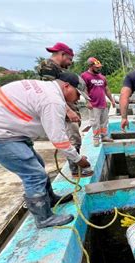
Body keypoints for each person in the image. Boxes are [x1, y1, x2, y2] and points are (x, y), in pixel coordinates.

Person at [0, 72, 92, 229]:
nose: (78, 99)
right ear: (66, 86)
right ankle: (43, 218)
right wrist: (78, 160)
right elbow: (59, 140)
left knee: (38, 164)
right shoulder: (52, 101)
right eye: (78, 94)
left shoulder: (47, 90)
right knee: (34, 174)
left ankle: (50, 199)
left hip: (4, 131)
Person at [37, 42, 93, 177]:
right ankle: (76, 168)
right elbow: (50, 94)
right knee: (72, 138)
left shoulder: (56, 68)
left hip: (66, 108)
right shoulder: (48, 68)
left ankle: (77, 159)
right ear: (62, 54)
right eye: (69, 59)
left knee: (75, 137)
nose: (70, 63)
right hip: (63, 111)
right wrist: (68, 110)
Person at [81, 57, 116, 147]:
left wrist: (112, 100)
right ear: (90, 66)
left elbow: (106, 89)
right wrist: (87, 102)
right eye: (96, 67)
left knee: (104, 122)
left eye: (99, 67)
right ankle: (96, 139)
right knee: (95, 122)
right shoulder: (85, 76)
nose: (98, 68)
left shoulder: (102, 77)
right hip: (93, 105)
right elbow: (84, 89)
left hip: (103, 104)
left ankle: (104, 136)